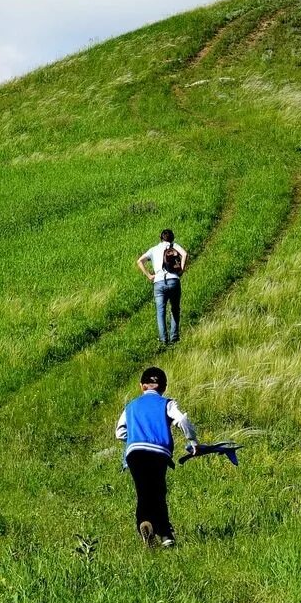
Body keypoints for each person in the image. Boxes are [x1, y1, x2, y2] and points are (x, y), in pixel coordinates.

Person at [115, 366, 198, 547]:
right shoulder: (167, 403)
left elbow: (120, 432)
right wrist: (193, 441)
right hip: (159, 452)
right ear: (164, 387)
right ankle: (165, 534)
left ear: (142, 386)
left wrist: (135, 437)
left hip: (135, 453)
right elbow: (181, 420)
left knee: (143, 491)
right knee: (158, 491)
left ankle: (144, 523)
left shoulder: (130, 406)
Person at [136, 228, 189, 345]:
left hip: (159, 282)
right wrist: (181, 270)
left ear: (160, 238)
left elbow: (140, 261)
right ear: (172, 238)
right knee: (175, 309)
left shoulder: (154, 249)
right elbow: (185, 254)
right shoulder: (174, 246)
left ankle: (163, 340)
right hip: (174, 280)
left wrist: (149, 275)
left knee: (161, 312)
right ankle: (174, 337)